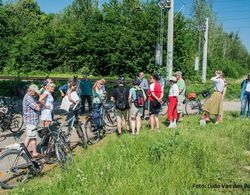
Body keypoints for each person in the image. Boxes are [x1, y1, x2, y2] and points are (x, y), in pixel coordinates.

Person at [23, 84, 41, 158]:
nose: (35, 93)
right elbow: (37, 108)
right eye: (35, 92)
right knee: (29, 136)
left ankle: (34, 152)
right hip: (30, 121)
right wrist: (40, 102)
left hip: (32, 121)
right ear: (30, 90)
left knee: (32, 136)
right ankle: (23, 151)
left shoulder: (31, 96)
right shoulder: (28, 98)